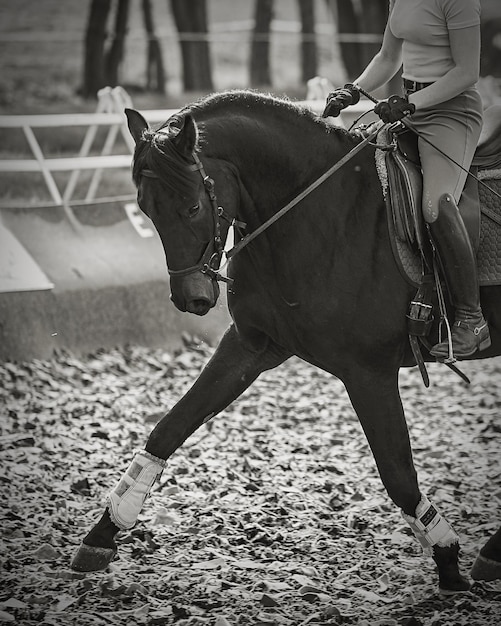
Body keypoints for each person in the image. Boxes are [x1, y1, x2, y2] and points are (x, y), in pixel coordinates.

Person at [323, 0, 491, 361]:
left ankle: (472, 321)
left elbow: (466, 72)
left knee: (435, 204)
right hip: (411, 106)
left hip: (452, 111)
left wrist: (412, 104)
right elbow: (388, 56)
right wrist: (353, 89)